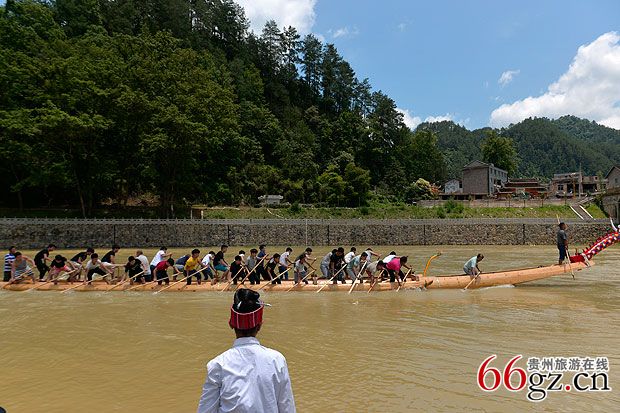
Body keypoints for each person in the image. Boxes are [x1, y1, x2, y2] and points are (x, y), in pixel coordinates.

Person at [197, 289, 295, 413]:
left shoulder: (217, 365)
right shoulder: (277, 360)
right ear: (259, 325)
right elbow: (287, 407)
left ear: (231, 324)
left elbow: (205, 410)